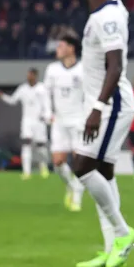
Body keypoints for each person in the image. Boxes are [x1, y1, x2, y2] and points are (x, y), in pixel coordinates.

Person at [72, 0, 134, 267]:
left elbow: (115, 66)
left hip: (110, 104)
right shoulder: (112, 3)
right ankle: (113, 248)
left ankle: (123, 232)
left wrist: (97, 108)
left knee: (81, 167)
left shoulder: (106, 18)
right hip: (107, 103)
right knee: (104, 173)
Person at [43, 34, 85, 211]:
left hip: (78, 120)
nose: (57, 49)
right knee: (57, 161)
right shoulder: (52, 69)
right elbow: (46, 93)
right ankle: (71, 184)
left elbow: (91, 94)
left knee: (79, 161)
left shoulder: (83, 69)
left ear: (71, 48)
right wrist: (47, 112)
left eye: (61, 46)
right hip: (59, 121)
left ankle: (77, 196)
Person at [0, 68, 51, 180]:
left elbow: (47, 105)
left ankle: (43, 167)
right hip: (27, 121)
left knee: (40, 146)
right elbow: (13, 100)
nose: (28, 77)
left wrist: (47, 116)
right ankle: (27, 172)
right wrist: (2, 96)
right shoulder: (22, 89)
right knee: (26, 145)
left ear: (35, 76)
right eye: (28, 75)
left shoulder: (42, 88)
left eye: (31, 75)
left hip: (39, 121)